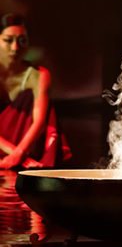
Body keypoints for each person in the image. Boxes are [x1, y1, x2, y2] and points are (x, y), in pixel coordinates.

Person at [0, 14, 71, 169]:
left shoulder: (38, 75)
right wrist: (16, 154)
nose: (15, 48)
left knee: (47, 109)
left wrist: (19, 153)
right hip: (8, 148)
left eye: (22, 40)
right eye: (8, 40)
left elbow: (40, 121)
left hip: (25, 146)